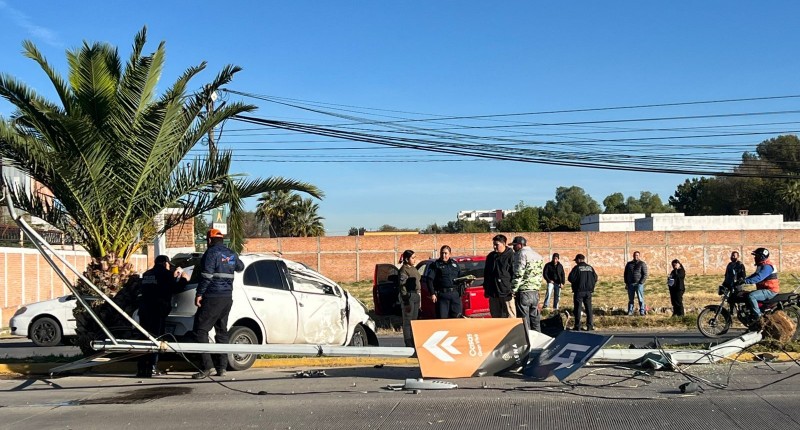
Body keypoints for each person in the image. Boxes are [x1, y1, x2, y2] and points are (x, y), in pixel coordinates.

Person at [192, 228, 245, 379]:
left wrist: (199, 294)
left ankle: (207, 366)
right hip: (227, 297)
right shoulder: (230, 253)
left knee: (200, 330)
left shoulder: (211, 253)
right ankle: (222, 367)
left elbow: (206, 276)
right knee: (221, 332)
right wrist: (229, 261)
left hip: (213, 296)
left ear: (209, 240)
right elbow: (240, 267)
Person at [136, 255, 189, 378]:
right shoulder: (166, 274)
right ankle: (152, 367)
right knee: (156, 338)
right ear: (166, 263)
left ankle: (142, 368)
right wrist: (184, 279)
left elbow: (156, 286)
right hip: (157, 310)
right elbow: (174, 288)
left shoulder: (147, 274)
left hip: (144, 310)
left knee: (144, 338)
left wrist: (172, 276)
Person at [510, 236, 544, 331]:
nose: (513, 248)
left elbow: (519, 274)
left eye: (514, 245)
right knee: (535, 318)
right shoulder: (538, 255)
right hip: (535, 292)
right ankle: (538, 337)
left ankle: (527, 338)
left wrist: (513, 289)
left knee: (524, 320)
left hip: (524, 291)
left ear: (520, 245)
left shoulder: (521, 254)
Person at [483, 234, 516, 318]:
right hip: (493, 293)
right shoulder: (491, 257)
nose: (494, 247)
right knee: (495, 317)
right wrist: (486, 289)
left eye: (496, 244)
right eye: (493, 244)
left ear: (504, 244)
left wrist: (512, 289)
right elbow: (486, 274)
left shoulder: (511, 255)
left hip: (506, 293)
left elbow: (514, 274)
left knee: (510, 316)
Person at [742, 247, 780, 319]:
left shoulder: (767, 266)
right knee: (745, 294)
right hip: (764, 289)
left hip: (770, 290)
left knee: (752, 296)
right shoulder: (761, 265)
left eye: (756, 256)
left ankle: (758, 317)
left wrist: (745, 281)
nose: (755, 257)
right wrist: (743, 279)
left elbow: (759, 277)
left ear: (761, 257)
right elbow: (754, 275)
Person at [427, 245, 462, 319]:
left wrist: (467, 280)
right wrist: (432, 294)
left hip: (455, 295)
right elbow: (429, 279)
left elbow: (460, 276)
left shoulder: (454, 264)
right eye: (442, 253)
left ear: (450, 254)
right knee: (442, 319)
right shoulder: (436, 265)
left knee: (457, 318)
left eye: (445, 253)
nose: (443, 255)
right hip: (443, 295)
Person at [397, 250, 421, 347]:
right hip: (408, 296)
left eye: (415, 257)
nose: (414, 260)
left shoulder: (413, 268)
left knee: (414, 321)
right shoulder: (404, 270)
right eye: (412, 258)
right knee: (408, 321)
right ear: (407, 259)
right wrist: (406, 300)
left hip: (415, 295)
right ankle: (408, 342)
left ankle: (413, 340)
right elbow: (402, 286)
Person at [568, 254, 597, 331]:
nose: (575, 262)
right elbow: (595, 278)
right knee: (589, 309)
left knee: (578, 308)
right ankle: (590, 326)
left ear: (579, 260)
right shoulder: (590, 268)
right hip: (588, 292)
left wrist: (577, 282)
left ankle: (577, 326)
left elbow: (570, 278)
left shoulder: (577, 268)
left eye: (576, 260)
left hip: (579, 291)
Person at [623, 251, 648, 316]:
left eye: (637, 255)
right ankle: (630, 311)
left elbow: (645, 274)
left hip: (639, 284)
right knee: (631, 299)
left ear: (639, 256)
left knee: (640, 299)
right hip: (630, 284)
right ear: (633, 256)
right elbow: (625, 274)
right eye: (635, 255)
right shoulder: (629, 264)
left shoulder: (642, 264)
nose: (636, 256)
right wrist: (626, 283)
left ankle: (642, 311)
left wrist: (641, 282)